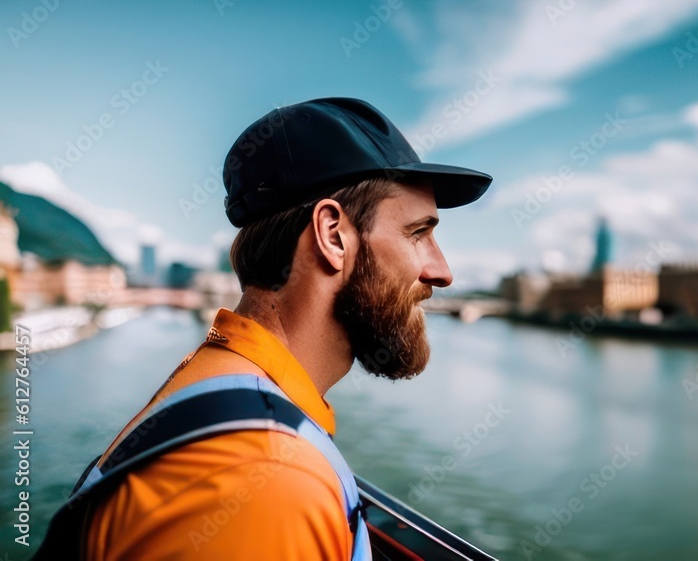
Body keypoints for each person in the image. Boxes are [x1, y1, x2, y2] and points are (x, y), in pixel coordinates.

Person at [33, 97, 492, 560]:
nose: (442, 270)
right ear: (333, 236)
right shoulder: (268, 480)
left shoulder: (216, 381)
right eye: (418, 233)